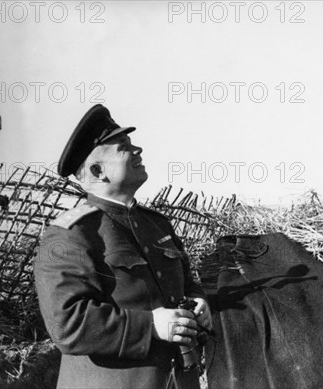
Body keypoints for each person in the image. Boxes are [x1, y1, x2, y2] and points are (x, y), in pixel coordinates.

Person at [34, 104, 211, 389]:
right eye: (124, 146)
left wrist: (199, 300)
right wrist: (151, 326)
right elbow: (67, 325)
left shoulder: (157, 225)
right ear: (97, 170)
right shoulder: (72, 234)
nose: (138, 149)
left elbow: (187, 282)